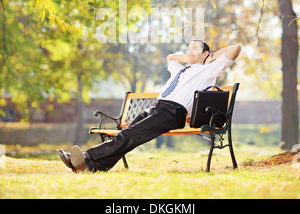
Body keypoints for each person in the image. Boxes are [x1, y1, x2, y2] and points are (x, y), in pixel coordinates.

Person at [57, 39, 241, 173]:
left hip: (173, 113)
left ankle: (86, 158)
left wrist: (210, 57)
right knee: (127, 136)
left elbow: (235, 49)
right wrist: (191, 55)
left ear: (206, 54)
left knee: (129, 134)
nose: (189, 50)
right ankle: (92, 167)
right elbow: (170, 57)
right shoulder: (181, 69)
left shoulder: (208, 71)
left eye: (195, 48)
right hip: (156, 108)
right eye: (188, 47)